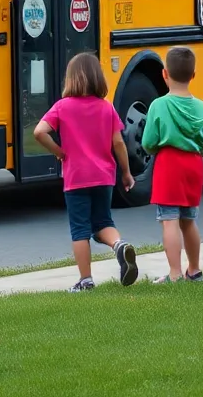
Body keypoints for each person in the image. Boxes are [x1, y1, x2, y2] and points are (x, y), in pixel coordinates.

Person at [34, 52, 139, 291]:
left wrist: (59, 152)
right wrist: (126, 172)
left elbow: (39, 132)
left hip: (76, 177)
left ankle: (86, 280)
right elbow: (119, 143)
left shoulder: (62, 107)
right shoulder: (106, 108)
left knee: (80, 229)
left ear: (71, 79)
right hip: (104, 176)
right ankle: (119, 245)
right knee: (103, 221)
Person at [140, 46, 203, 283]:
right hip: (194, 165)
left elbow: (149, 141)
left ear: (164, 74)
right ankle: (194, 269)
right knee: (189, 220)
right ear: (193, 75)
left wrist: (156, 147)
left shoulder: (159, 106)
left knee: (169, 219)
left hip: (168, 164)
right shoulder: (202, 108)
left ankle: (174, 273)